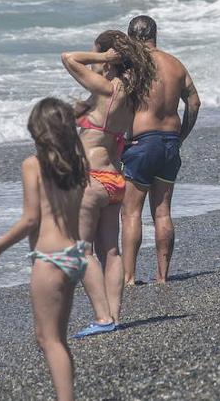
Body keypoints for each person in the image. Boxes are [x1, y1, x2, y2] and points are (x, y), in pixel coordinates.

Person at [0, 98, 90, 401]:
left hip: (49, 260)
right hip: (74, 255)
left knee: (49, 339)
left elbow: (30, 219)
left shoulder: (33, 165)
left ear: (38, 131)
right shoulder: (79, 162)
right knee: (52, 339)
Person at [60, 30, 156, 337]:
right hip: (116, 180)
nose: (96, 60)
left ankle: (102, 318)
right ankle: (113, 316)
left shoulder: (106, 89)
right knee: (110, 252)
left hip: (92, 180)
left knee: (82, 250)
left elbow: (68, 58)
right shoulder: (132, 93)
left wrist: (103, 57)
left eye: (99, 54)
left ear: (112, 57)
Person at [121, 15, 201, 287]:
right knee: (163, 212)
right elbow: (194, 102)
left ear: (132, 37)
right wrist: (181, 138)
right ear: (156, 35)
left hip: (142, 144)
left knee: (131, 212)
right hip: (169, 143)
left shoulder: (133, 65)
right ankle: (162, 276)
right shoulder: (175, 64)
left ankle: (129, 278)